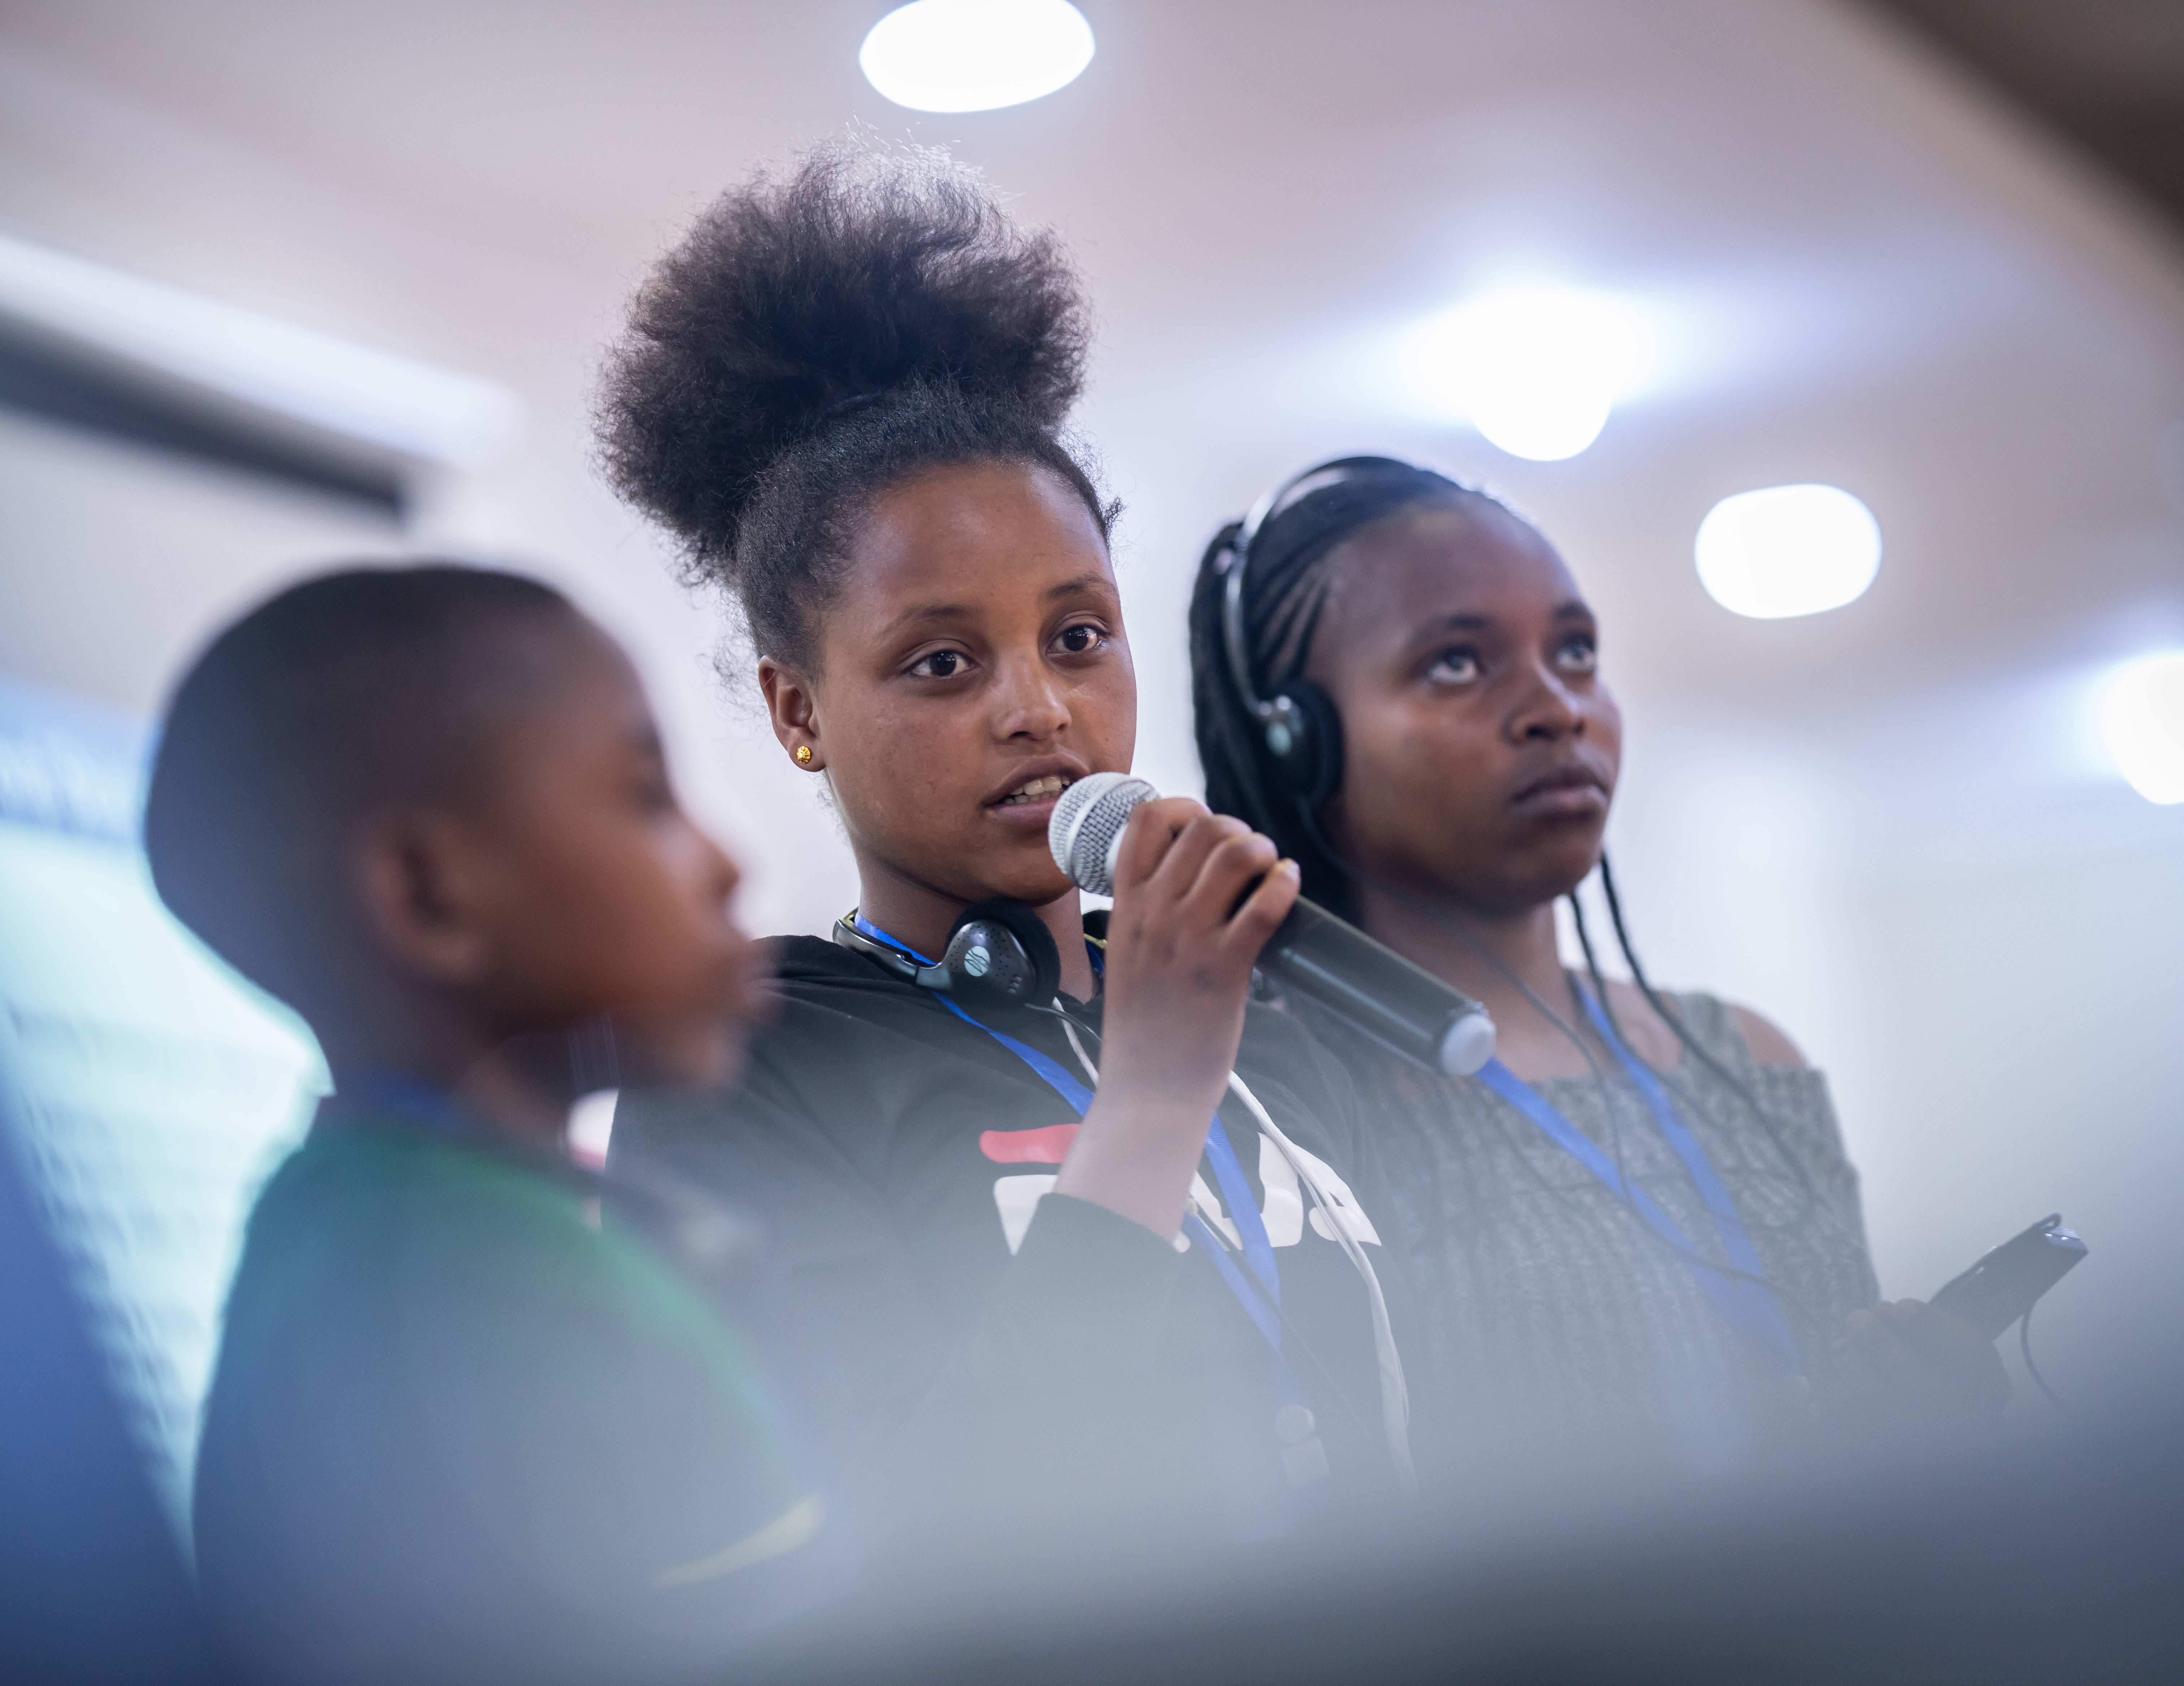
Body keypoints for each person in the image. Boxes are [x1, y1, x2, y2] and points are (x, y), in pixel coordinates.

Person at [594, 141, 1412, 1568]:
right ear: (799, 709)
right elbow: (906, 1529)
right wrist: (1151, 1099)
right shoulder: (752, 1062)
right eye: (940, 660)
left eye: (1077, 635)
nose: (1037, 705)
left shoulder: (1273, 1025)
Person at [1186, 455, 2008, 1492]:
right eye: (1456, 663)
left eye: (1575, 652)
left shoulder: (1744, 1059)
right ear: (1294, 743)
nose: (1556, 707)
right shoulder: (1274, 1114)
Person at [143, 564, 833, 1685]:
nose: (727, 863)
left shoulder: (334, 1223)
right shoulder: (531, 1287)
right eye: (647, 798)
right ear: (428, 895)